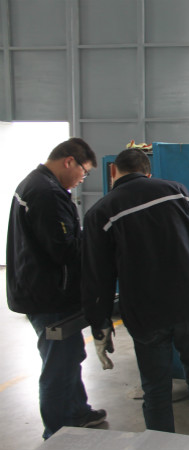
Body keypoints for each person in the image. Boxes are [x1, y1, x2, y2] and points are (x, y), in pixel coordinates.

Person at [81, 148, 189, 437]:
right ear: (148, 172)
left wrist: (100, 322)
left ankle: (159, 443)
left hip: (146, 313)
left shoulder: (101, 212)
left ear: (114, 172)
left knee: (155, 387)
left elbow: (98, 276)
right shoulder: (177, 192)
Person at [6, 137, 106, 440]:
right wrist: (95, 244)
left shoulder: (37, 184)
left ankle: (77, 412)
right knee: (58, 365)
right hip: (49, 294)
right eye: (84, 172)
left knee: (70, 355)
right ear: (69, 161)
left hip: (41, 288)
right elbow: (63, 250)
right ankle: (57, 433)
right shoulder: (46, 193)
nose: (82, 179)